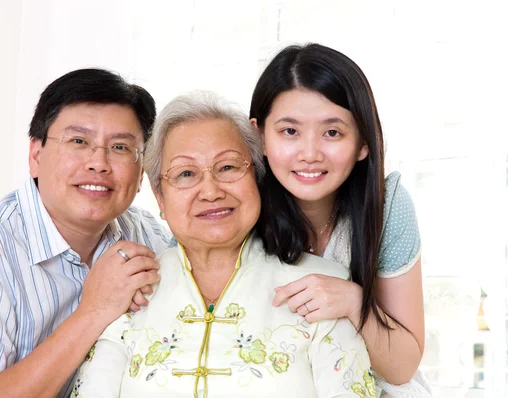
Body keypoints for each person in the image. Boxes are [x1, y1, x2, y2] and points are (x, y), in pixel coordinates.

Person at [71, 92, 375, 398]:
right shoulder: (125, 294)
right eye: (186, 174)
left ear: (257, 177)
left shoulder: (324, 290)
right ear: (159, 197)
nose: (211, 191)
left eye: (228, 167)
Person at [0, 68, 173, 397]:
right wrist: (94, 311)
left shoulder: (148, 234)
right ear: (36, 155)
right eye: (79, 141)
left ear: (141, 174)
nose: (99, 163)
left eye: (121, 148)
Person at [250, 44, 427, 393]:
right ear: (259, 136)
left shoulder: (386, 206)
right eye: (290, 131)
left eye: (332, 132)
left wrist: (352, 301)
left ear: (364, 142)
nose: (310, 154)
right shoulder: (237, 203)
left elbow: (403, 366)